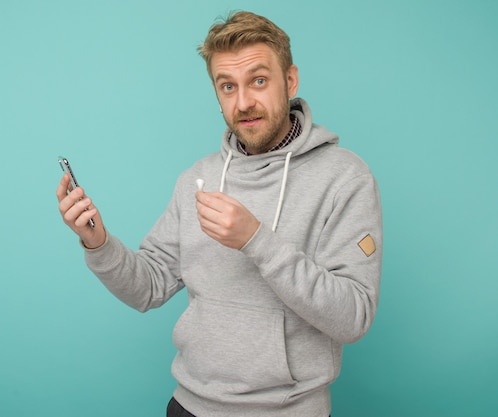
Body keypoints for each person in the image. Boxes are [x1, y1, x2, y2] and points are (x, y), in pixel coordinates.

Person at [56, 10, 382, 417]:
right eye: (228, 86)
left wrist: (257, 240)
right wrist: (98, 243)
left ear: (290, 80)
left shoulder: (344, 178)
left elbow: (353, 317)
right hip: (190, 407)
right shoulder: (198, 178)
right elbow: (148, 287)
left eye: (258, 81)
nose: (243, 101)